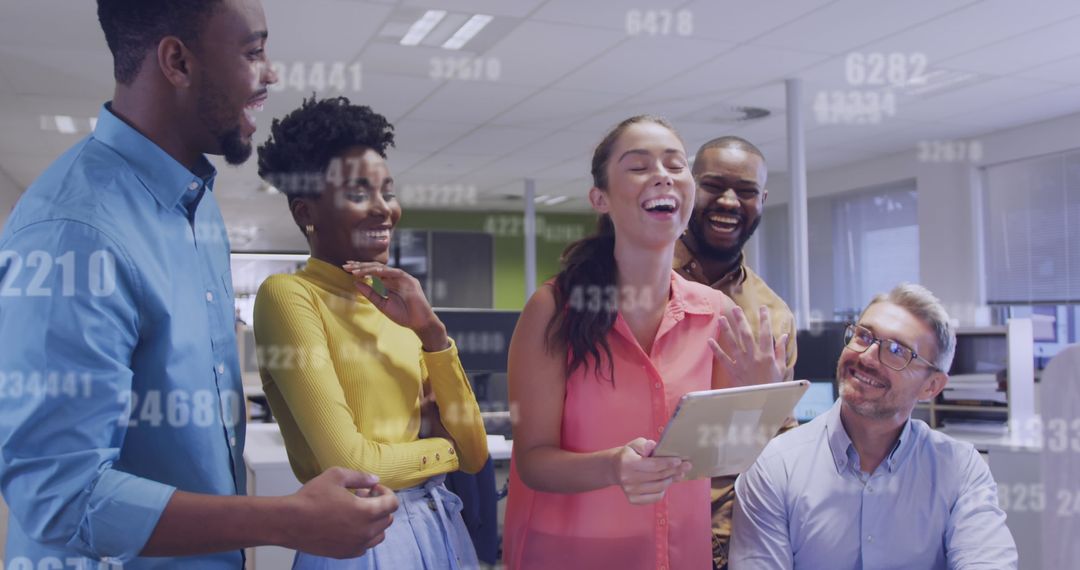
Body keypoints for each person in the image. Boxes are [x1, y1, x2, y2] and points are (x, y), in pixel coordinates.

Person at [0, 2, 398, 568]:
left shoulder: (197, 208)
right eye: (254, 52)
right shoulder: (74, 233)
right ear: (178, 62)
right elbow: (59, 497)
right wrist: (288, 519)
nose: (271, 73)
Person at [503, 116, 788, 570]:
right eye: (638, 166)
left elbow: (723, 457)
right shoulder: (554, 309)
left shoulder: (719, 314)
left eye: (676, 165)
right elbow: (533, 461)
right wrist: (613, 466)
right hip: (568, 553)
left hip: (677, 553)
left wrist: (759, 402)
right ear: (601, 198)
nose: (662, 175)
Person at [254, 96, 489, 569]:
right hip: (363, 539)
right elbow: (356, 467)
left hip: (441, 524)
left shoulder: (397, 305)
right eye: (359, 193)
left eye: (388, 191)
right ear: (306, 213)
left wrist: (432, 334)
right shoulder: (291, 296)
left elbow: (478, 452)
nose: (384, 210)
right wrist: (447, 450)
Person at [731, 283, 1018, 569]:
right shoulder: (773, 467)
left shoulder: (960, 469)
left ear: (931, 386)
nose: (867, 357)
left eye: (896, 350)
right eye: (863, 336)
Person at [674, 136, 797, 569]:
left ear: (761, 200)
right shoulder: (637, 281)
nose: (729, 201)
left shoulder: (771, 315)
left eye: (745, 191)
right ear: (688, 187)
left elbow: (779, 440)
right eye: (714, 185)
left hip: (729, 539)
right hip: (636, 522)